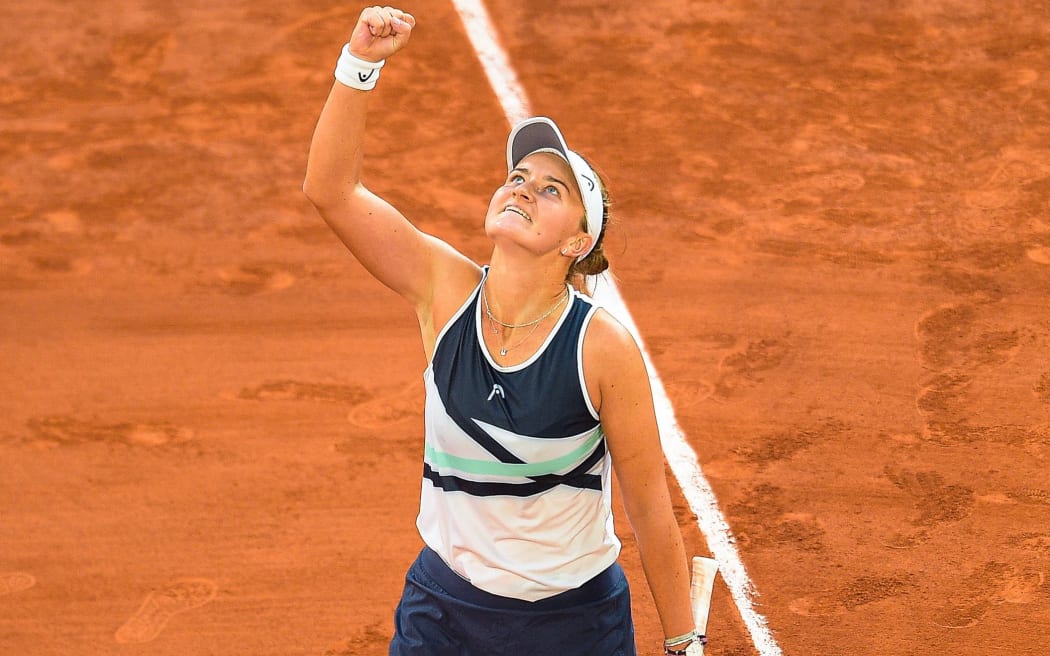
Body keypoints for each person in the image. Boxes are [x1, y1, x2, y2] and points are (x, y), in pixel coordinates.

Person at [303, 6, 704, 655]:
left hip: (570, 624)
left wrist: (685, 640)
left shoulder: (601, 349)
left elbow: (651, 508)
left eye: (551, 190)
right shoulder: (444, 288)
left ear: (578, 240)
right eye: (518, 177)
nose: (522, 188)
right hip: (444, 609)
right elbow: (331, 189)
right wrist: (361, 64)